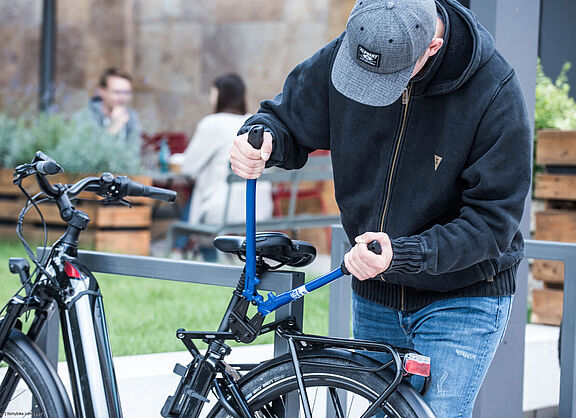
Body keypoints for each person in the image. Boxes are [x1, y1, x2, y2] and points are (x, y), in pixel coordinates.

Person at [229, 0, 532, 416]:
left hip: (461, 295)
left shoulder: (494, 90)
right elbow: (286, 119)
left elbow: (493, 223)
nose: (370, 88)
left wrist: (404, 254)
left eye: (385, 80)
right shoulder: (358, 44)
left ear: (432, 47)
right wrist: (260, 138)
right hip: (376, 291)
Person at [179, 73, 274, 261]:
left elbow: (188, 168)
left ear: (220, 95)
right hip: (259, 209)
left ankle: (182, 249)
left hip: (224, 211)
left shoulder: (212, 123)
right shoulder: (256, 121)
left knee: (197, 198)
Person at [74, 67, 142, 156]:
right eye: (117, 92)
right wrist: (113, 127)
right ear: (102, 91)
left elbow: (134, 154)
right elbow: (88, 156)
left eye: (126, 92)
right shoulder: (85, 116)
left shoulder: (131, 116)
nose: (122, 97)